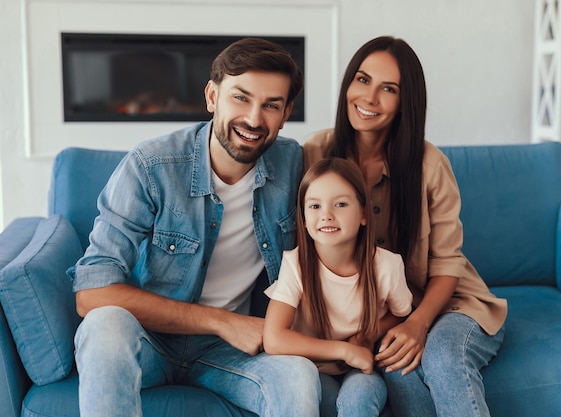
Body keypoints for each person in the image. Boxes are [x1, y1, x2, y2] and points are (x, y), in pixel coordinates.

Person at [68, 37, 321, 417]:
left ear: (286, 115)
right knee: (105, 324)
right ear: (212, 96)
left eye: (271, 105)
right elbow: (92, 294)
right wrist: (224, 322)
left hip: (228, 355)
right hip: (148, 341)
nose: (254, 119)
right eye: (241, 97)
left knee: (298, 375)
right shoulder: (151, 166)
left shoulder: (294, 166)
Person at [303, 36, 508, 417]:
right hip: (386, 315)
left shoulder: (429, 164)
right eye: (362, 80)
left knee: (444, 356)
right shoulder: (315, 152)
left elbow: (448, 263)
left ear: (405, 102)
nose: (369, 98)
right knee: (398, 371)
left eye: (389, 89)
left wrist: (417, 323)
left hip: (448, 305)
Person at [263, 157, 413, 417]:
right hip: (313, 369)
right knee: (326, 403)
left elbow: (401, 314)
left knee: (359, 400)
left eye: (341, 204)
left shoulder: (388, 266)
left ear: (364, 214)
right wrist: (345, 350)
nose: (326, 215)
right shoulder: (296, 264)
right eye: (315, 206)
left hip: (361, 368)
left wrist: (367, 335)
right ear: (305, 219)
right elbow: (274, 338)